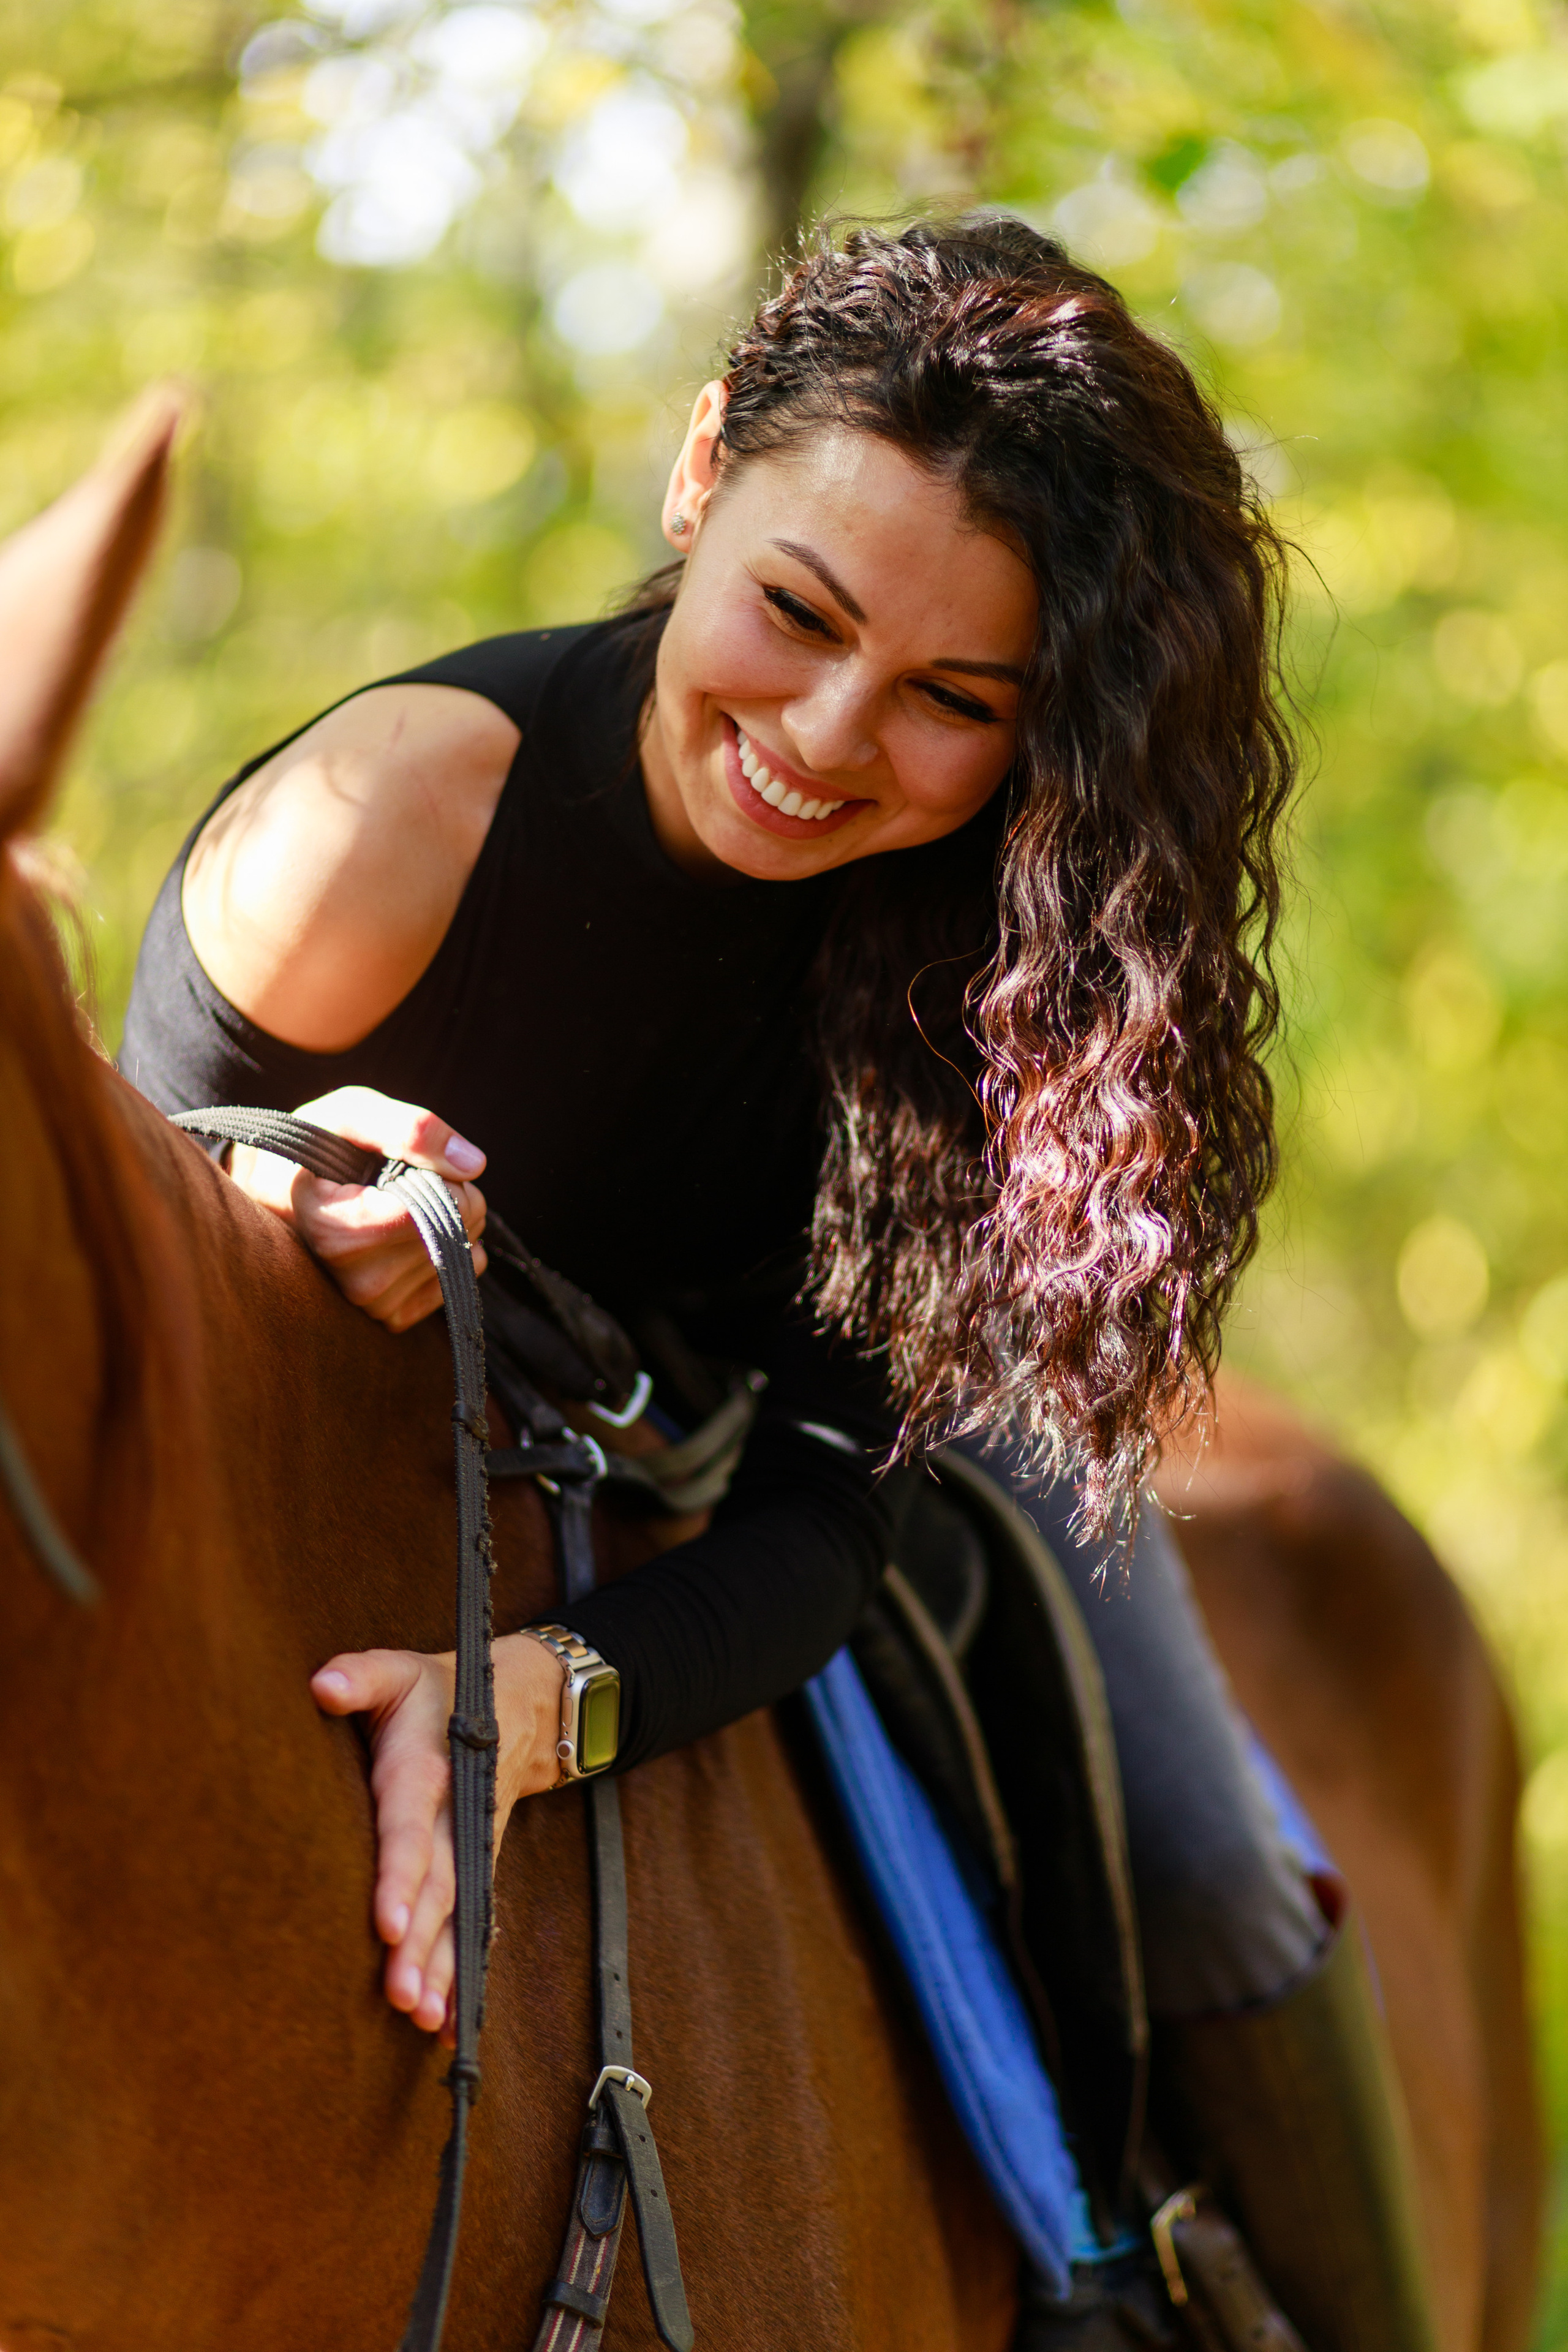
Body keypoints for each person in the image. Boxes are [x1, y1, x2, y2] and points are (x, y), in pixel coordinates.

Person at [121, 217, 1434, 2346]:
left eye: (951, 704)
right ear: (701, 469)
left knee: (1199, 1840)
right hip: (448, 1424)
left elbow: (826, 1523)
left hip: (821, 1419)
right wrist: (265, 1205)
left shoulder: (1001, 969)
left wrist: (544, 1703)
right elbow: (117, 1284)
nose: (827, 741)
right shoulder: (378, 826)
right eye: (797, 613)